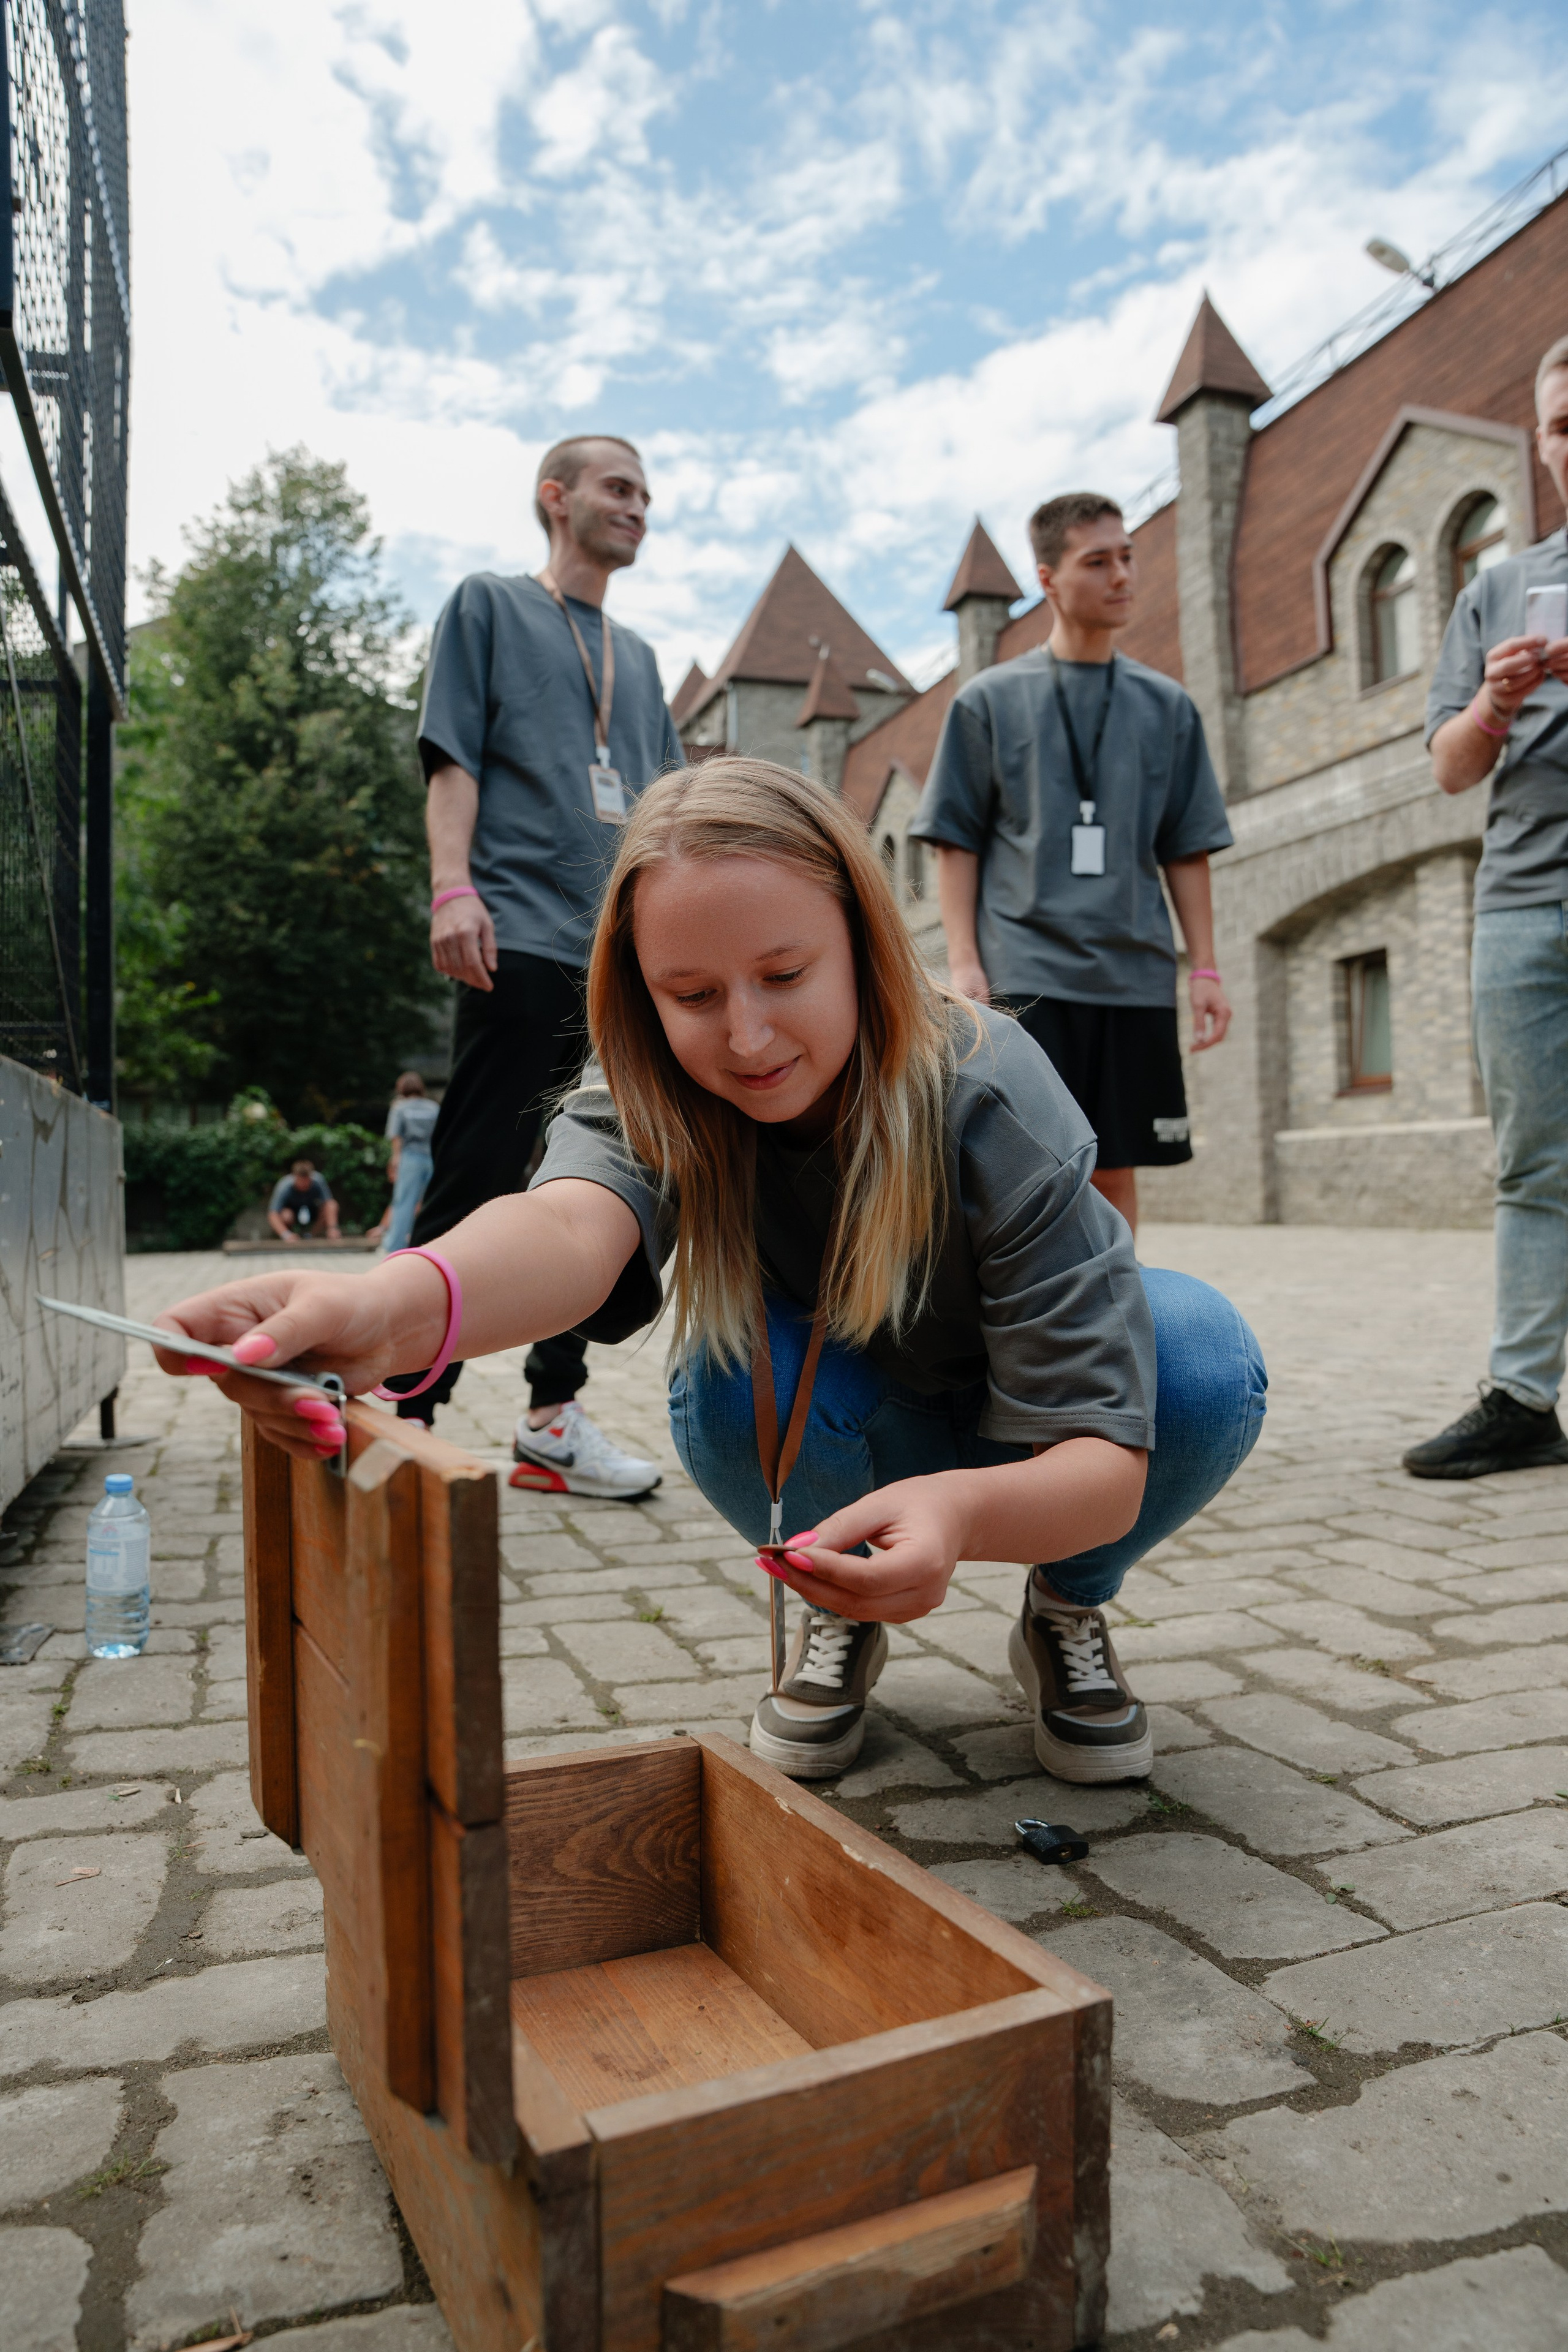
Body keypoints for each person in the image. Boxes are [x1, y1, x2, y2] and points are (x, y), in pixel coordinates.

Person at [151, 760, 1266, 1785]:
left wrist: (964, 1514)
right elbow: (571, 1231)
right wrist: (386, 1307)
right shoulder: (655, 1085)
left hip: (1041, 1442)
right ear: (642, 991)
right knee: (722, 1374)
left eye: (785, 974)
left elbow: (1105, 1463)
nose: (744, 1038)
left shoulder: (991, 1087)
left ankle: (1068, 1604)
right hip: (849, 1419)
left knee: (1203, 1355)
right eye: (691, 996)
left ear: (865, 939)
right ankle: (835, 1592)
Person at [398, 432, 684, 1499]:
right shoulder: (488, 605)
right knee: (478, 1176)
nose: (638, 507)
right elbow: (453, 758)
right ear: (554, 498)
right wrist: (451, 886)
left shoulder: (643, 660)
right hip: (516, 930)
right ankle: (399, 1407)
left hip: (619, 959)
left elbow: (661, 814)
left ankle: (551, 1423)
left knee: (601, 1188)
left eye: (648, 494)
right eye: (619, 488)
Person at [913, 492, 1235, 1234]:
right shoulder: (988, 701)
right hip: (1027, 972)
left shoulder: (1168, 707)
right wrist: (964, 965)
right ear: (1049, 578)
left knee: (1116, 1164)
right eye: (1099, 561)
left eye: (1127, 557)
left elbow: (1185, 846)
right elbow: (955, 840)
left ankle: (1110, 1318)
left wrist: (1207, 969)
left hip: (1132, 975)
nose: (1123, 574)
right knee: (1025, 1157)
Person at [1403, 337, 1568, 1479]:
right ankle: (1523, 1399)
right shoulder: (1496, 586)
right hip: (1520, 901)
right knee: (1535, 1161)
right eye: (1564, 425)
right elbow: (1451, 768)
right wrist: (1497, 702)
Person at [379, 1072, 439, 1257]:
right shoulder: (433, 1107)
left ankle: (395, 1246)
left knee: (404, 1201)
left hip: (411, 1157)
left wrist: (395, 1159)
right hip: (431, 1157)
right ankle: (434, 1242)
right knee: (432, 1201)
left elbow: (396, 1136)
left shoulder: (400, 1107)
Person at [267, 1160, 339, 1245]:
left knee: (332, 1205)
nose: (304, 1186)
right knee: (286, 1215)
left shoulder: (318, 1180)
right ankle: (291, 1237)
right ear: (295, 1177)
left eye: (306, 1183)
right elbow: (272, 1214)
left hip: (313, 1211)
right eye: (301, 1183)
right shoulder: (284, 1186)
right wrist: (286, 1235)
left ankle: (318, 1235)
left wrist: (333, 1228)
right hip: (292, 1214)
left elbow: (330, 1204)